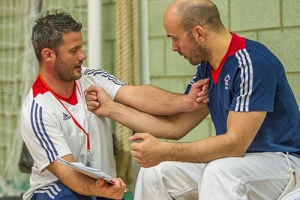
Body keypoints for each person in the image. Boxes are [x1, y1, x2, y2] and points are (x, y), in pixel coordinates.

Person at [85, 0, 300, 199]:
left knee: (220, 171)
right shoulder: (207, 68)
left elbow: (235, 144)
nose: (173, 47)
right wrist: (111, 109)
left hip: (282, 162)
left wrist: (165, 151)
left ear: (198, 33)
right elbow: (176, 126)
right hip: (237, 163)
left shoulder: (251, 63)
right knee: (156, 171)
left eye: (175, 38)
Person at [19, 10, 209, 200]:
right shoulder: (38, 109)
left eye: (81, 47)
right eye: (73, 50)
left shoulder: (93, 77)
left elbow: (137, 95)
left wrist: (186, 101)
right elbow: (68, 174)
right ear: (48, 55)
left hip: (102, 186)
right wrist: (102, 190)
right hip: (56, 188)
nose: (82, 55)